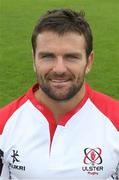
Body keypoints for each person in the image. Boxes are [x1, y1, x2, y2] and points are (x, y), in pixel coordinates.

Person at [0, 8, 119, 180]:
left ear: (89, 61)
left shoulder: (116, 122)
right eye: (48, 56)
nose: (59, 69)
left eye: (71, 57)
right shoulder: (4, 126)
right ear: (34, 60)